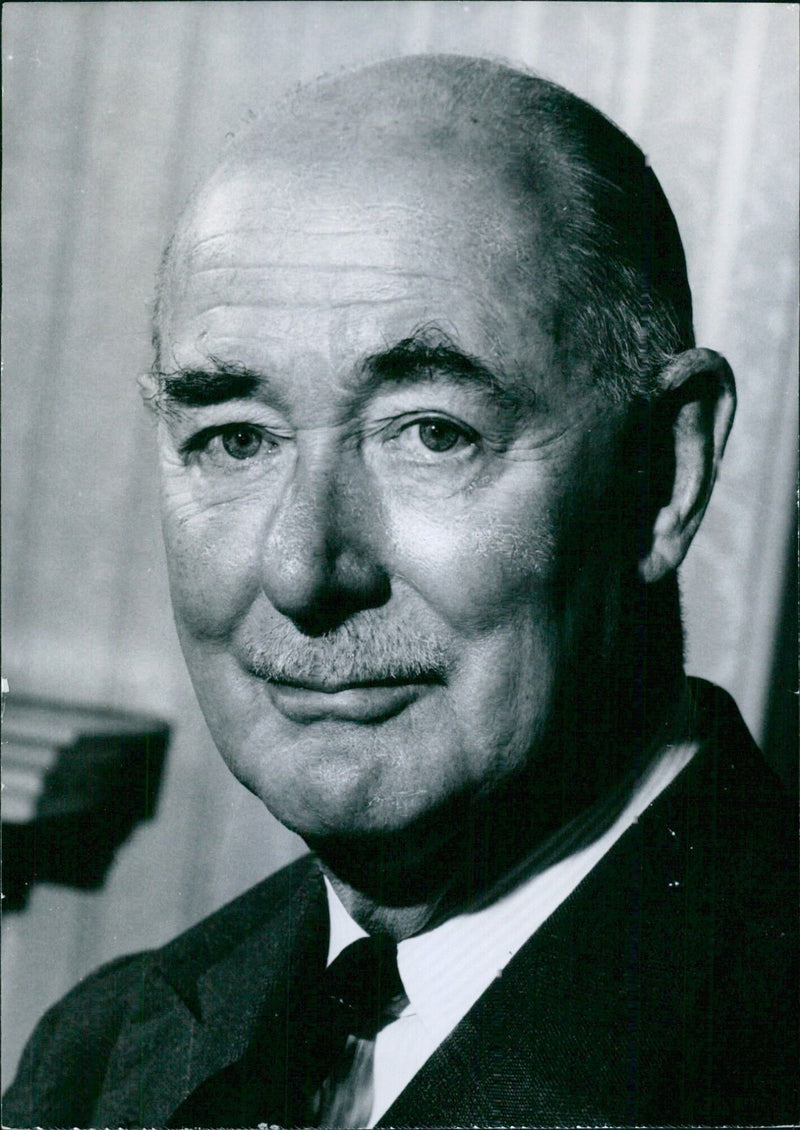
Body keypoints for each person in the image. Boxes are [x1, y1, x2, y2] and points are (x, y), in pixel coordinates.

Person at [3, 54, 796, 1129]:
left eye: (430, 432)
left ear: (663, 473)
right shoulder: (95, 1056)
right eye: (235, 437)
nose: (300, 568)